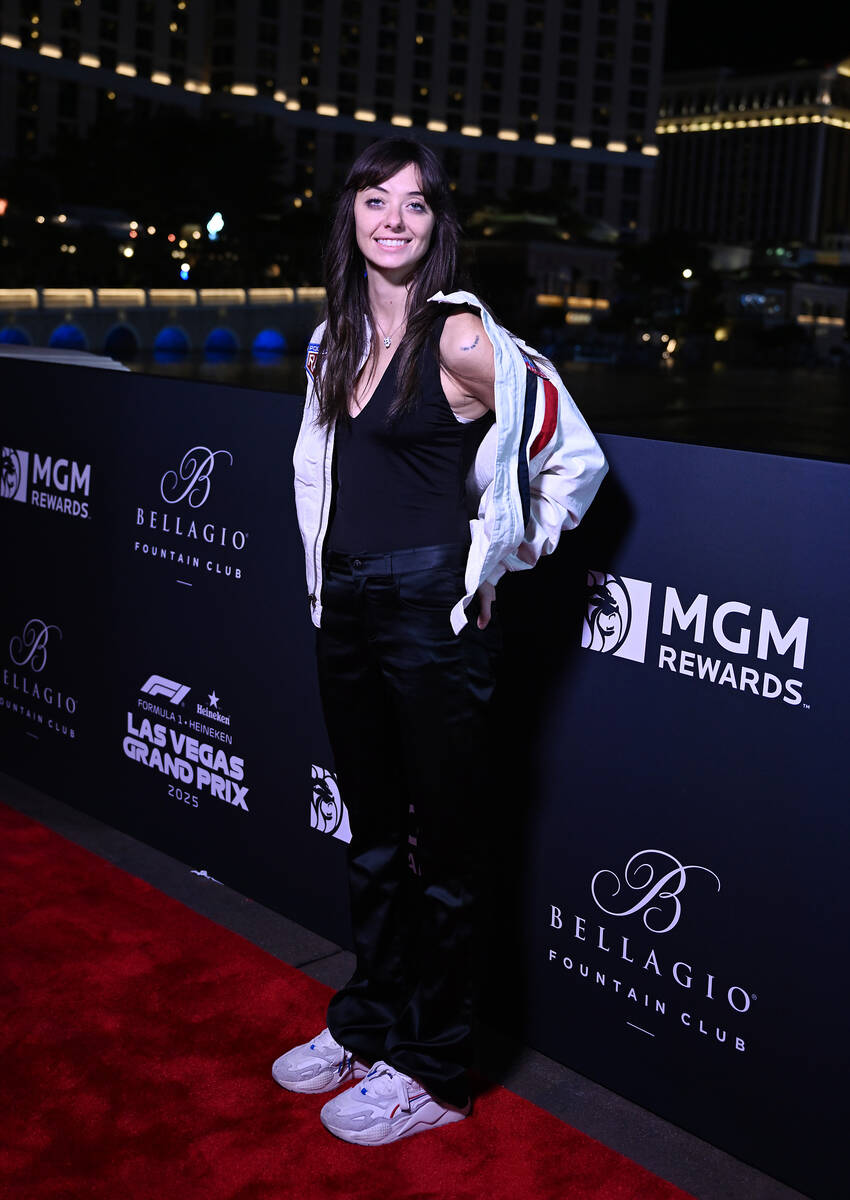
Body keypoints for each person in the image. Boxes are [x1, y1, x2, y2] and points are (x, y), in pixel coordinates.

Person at [275, 137, 607, 1146]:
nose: (391, 220)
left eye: (413, 205)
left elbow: (576, 460)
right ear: (350, 217)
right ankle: (370, 1021)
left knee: (444, 856)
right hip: (346, 607)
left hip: (431, 615)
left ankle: (432, 1066)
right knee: (373, 841)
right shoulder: (333, 342)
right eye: (373, 199)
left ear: (436, 225)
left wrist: (498, 560)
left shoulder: (463, 340)